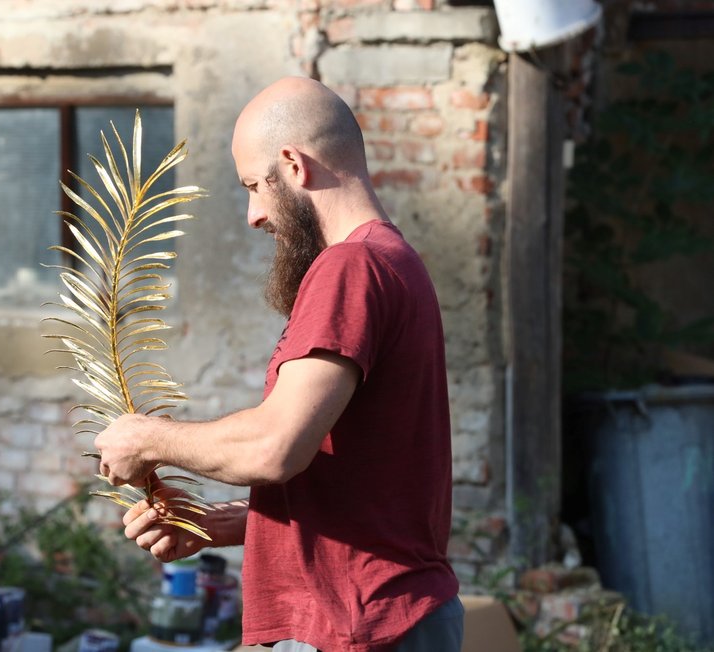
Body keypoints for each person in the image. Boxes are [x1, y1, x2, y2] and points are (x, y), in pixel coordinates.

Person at [94, 76, 463, 651]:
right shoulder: (394, 262)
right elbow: (372, 488)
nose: (253, 215)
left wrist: (147, 438)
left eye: (253, 186)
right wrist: (223, 524)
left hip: (353, 626)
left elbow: (275, 448)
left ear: (292, 164)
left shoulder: (351, 268)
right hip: (380, 618)